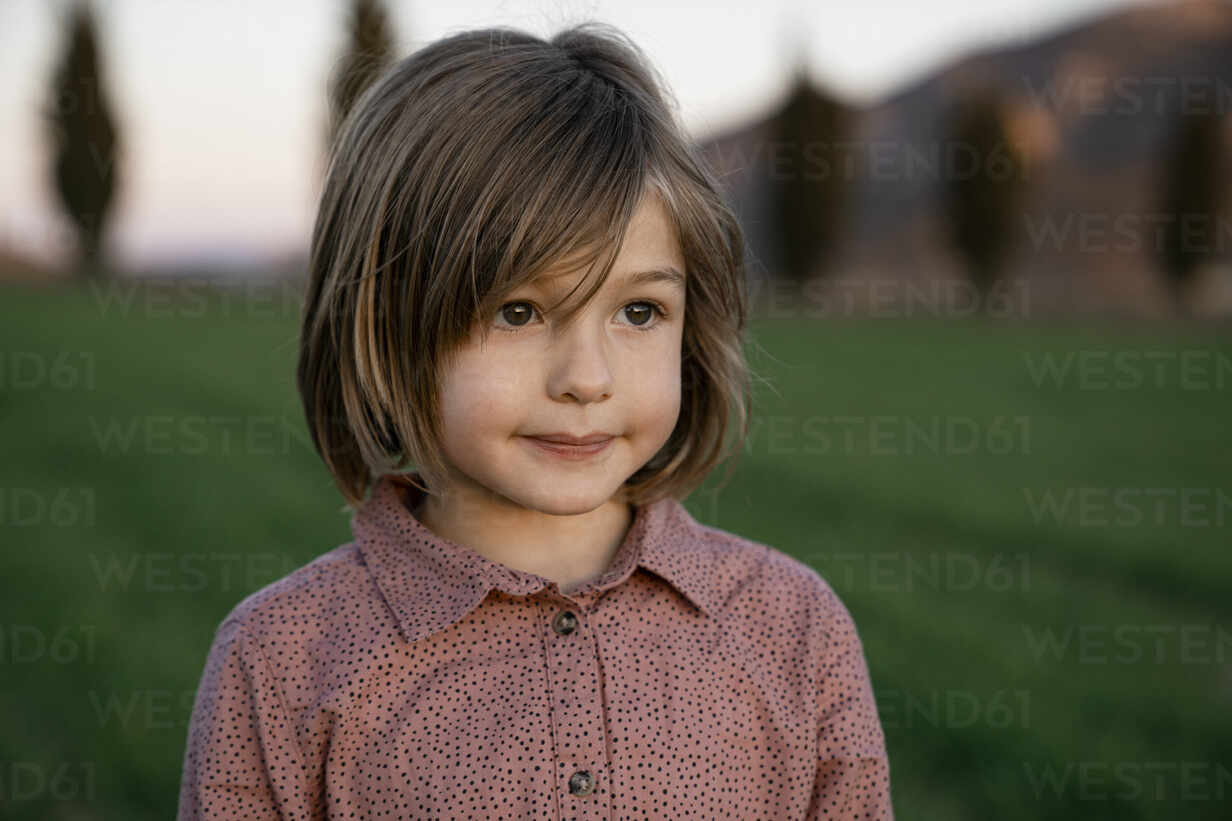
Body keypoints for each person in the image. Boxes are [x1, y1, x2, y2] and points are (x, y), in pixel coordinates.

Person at [177, 21, 894, 820]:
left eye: (639, 309)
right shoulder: (282, 657)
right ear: (384, 321)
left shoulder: (792, 628)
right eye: (518, 310)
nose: (587, 378)